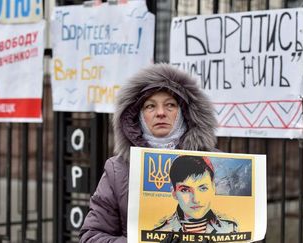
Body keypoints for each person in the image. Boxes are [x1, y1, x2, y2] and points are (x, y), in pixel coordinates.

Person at [79, 63, 218, 243]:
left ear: (184, 112)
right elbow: (91, 236)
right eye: (150, 106)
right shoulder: (118, 169)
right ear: (137, 115)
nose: (160, 113)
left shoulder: (213, 161)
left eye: (170, 105)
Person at [154, 155, 238, 233]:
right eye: (185, 190)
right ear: (174, 193)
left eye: (203, 188)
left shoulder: (229, 226)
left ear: (213, 189)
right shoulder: (161, 230)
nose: (196, 199)